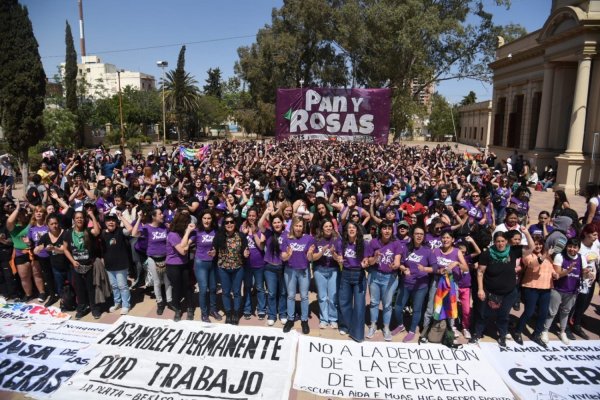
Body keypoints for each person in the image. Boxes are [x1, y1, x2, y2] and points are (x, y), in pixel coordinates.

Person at [470, 231, 522, 347]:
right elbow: (480, 272)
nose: (500, 244)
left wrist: (526, 232)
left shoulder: (513, 251)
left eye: (503, 241)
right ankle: (477, 333)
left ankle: (502, 335)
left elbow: (531, 248)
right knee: (483, 314)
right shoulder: (487, 254)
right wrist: (480, 289)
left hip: (508, 292)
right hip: (489, 291)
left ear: (506, 241)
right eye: (498, 241)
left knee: (503, 316)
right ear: (494, 242)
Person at [392, 225, 437, 342]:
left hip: (421, 286)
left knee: (417, 310)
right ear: (413, 235)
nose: (419, 236)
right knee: (398, 307)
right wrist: (403, 269)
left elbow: (435, 267)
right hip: (406, 283)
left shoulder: (427, 251)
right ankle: (401, 325)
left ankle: (412, 330)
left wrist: (425, 269)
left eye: (421, 234)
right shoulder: (406, 248)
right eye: (417, 233)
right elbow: (400, 263)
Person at [542, 238, 590, 345]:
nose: (572, 249)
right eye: (570, 246)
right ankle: (545, 330)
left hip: (572, 290)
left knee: (566, 312)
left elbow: (584, 275)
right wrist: (568, 270)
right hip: (558, 289)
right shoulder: (560, 256)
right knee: (552, 312)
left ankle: (562, 331)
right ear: (566, 246)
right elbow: (557, 275)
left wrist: (588, 273)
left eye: (575, 247)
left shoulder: (582, 258)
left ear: (578, 248)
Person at [512, 236, 554, 347]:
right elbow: (533, 264)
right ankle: (517, 331)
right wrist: (545, 255)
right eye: (536, 244)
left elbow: (551, 269)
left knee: (543, 313)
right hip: (531, 287)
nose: (538, 246)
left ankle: (537, 334)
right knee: (529, 312)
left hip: (546, 288)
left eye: (540, 244)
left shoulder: (549, 258)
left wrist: (555, 274)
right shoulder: (528, 255)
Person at [365, 220, 402, 341]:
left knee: (387, 305)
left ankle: (386, 327)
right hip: (375, 275)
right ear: (380, 230)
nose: (387, 231)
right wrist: (376, 257)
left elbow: (397, 261)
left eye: (389, 229)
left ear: (392, 230)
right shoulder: (373, 242)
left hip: (390, 278)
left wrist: (395, 266)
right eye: (384, 228)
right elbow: (369, 262)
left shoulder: (396, 243)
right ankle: (373, 325)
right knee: (374, 302)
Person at [62, 209, 102, 319]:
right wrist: (72, 261)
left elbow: (97, 232)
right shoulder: (68, 233)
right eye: (77, 218)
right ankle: (82, 307)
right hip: (76, 266)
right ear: (74, 220)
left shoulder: (88, 231)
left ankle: (94, 308)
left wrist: (92, 216)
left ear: (84, 219)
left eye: (81, 217)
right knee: (79, 289)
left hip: (89, 264)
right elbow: (65, 249)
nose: (79, 219)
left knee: (91, 288)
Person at [336, 221, 369, 342]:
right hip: (345, 273)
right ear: (346, 231)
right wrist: (337, 257)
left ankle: (358, 333)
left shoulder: (364, 243)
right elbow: (338, 256)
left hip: (359, 274)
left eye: (353, 227)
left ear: (357, 230)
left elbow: (366, 258)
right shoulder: (341, 243)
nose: (351, 229)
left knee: (359, 305)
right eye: (349, 227)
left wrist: (366, 262)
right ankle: (346, 326)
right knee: (344, 302)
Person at [213, 215, 249, 325]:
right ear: (223, 225)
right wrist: (213, 253)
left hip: (238, 268)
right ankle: (228, 313)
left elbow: (245, 249)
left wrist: (245, 253)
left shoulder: (241, 236)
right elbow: (214, 250)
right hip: (223, 268)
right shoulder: (219, 236)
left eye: (231, 222)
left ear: (235, 223)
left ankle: (236, 314)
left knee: (237, 292)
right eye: (226, 222)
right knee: (226, 292)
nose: (229, 224)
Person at [7, 199, 45, 302]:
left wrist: (29, 204)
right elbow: (9, 221)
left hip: (32, 252)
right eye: (20, 214)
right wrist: (18, 208)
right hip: (20, 253)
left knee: (37, 274)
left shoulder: (31, 224)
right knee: (24, 276)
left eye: (24, 213)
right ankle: (29, 294)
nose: (22, 215)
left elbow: (39, 212)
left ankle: (42, 292)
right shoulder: (13, 228)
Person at [281, 216, 314, 334]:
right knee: (291, 296)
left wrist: (310, 254)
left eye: (301, 226)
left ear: (303, 227)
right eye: (296, 226)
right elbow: (283, 257)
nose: (299, 228)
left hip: (304, 270)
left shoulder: (309, 239)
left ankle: (304, 320)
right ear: (292, 227)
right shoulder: (287, 238)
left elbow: (310, 258)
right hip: (290, 270)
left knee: (304, 296)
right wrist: (288, 255)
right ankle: (290, 319)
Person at [309, 219, 342, 330]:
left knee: (333, 297)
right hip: (319, 270)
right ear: (322, 228)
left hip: (333, 270)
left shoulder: (337, 240)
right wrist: (321, 252)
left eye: (330, 226)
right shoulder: (316, 240)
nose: (328, 228)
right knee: (322, 297)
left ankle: (333, 319)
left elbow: (339, 259)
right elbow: (312, 258)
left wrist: (333, 253)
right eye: (326, 226)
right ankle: (324, 319)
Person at [568, 225, 600, 340]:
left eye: (597, 234)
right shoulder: (579, 246)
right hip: (578, 281)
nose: (596, 237)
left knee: (584, 304)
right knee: (572, 305)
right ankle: (568, 326)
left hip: (591, 281)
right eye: (594, 234)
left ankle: (577, 321)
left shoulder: (596, 244)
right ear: (586, 233)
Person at [165, 212, 196, 322]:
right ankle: (177, 309)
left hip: (185, 264)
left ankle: (190, 308)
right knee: (177, 288)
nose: (188, 224)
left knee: (188, 287)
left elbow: (194, 235)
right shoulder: (172, 234)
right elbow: (183, 251)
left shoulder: (184, 234)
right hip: (173, 265)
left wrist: (188, 236)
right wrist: (187, 233)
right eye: (187, 223)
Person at [101, 212, 133, 315]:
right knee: (114, 286)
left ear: (116, 222)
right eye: (108, 220)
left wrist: (121, 217)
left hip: (121, 264)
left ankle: (126, 305)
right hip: (109, 265)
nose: (111, 222)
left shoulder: (120, 231)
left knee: (122, 286)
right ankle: (117, 302)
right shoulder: (103, 233)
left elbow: (130, 230)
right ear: (105, 223)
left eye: (113, 220)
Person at [193, 209, 221, 322]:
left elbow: (220, 245)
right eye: (204, 218)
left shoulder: (216, 231)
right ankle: (204, 313)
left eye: (209, 218)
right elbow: (187, 243)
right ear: (201, 219)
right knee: (203, 289)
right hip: (200, 263)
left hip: (213, 263)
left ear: (212, 220)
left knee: (213, 288)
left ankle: (213, 310)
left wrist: (216, 251)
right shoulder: (196, 231)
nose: (206, 220)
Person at [241, 208, 267, 320]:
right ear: (247, 216)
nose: (251, 217)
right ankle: (247, 308)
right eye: (249, 215)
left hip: (259, 264)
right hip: (246, 264)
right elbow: (239, 244)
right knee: (247, 287)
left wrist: (255, 233)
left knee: (260, 287)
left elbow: (261, 247)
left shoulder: (261, 229)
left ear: (257, 216)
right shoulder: (242, 228)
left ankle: (261, 309)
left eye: (253, 215)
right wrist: (243, 234)